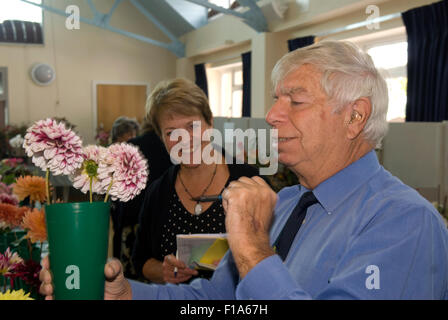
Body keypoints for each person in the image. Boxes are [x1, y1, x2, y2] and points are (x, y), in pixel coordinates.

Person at [40, 41, 448, 300]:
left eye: (296, 101)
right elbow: (214, 296)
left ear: (355, 116)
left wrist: (253, 249)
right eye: (275, 99)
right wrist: (127, 294)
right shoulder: (286, 204)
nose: (271, 115)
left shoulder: (404, 222)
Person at [112, 117, 172, 279]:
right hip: (164, 221)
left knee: (131, 278)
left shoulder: (131, 146)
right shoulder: (174, 148)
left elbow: (115, 188)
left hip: (131, 219)